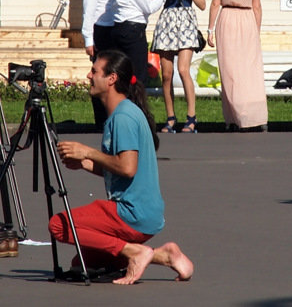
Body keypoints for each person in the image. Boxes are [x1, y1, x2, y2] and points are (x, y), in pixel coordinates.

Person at [50, 50, 194, 284]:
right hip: (147, 214)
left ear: (111, 79)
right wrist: (85, 163)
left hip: (131, 213)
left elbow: (127, 168)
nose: (89, 75)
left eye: (95, 71)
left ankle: (135, 252)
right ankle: (165, 256)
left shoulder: (123, 118)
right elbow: (119, 169)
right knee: (83, 263)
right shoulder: (125, 113)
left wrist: (88, 152)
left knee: (59, 225)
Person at [207, 0, 267, 131]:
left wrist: (210, 29)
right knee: (250, 71)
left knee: (230, 72)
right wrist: (255, 31)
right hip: (248, 20)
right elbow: (257, 6)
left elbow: (216, 3)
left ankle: (234, 117)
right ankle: (253, 117)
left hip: (227, 19)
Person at [106, 0, 182, 87]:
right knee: (137, 76)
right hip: (132, 32)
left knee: (121, 74)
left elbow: (128, 1)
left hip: (118, 28)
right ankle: (136, 106)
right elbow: (149, 8)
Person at [150, 0, 206, 134]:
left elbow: (202, 4)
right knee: (166, 74)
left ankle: (191, 118)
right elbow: (154, 6)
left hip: (186, 22)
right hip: (167, 23)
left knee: (183, 69)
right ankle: (171, 118)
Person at [82, 0, 121, 127]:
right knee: (100, 75)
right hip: (100, 31)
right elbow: (88, 11)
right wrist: (89, 39)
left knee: (116, 76)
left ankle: (115, 116)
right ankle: (101, 119)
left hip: (116, 28)